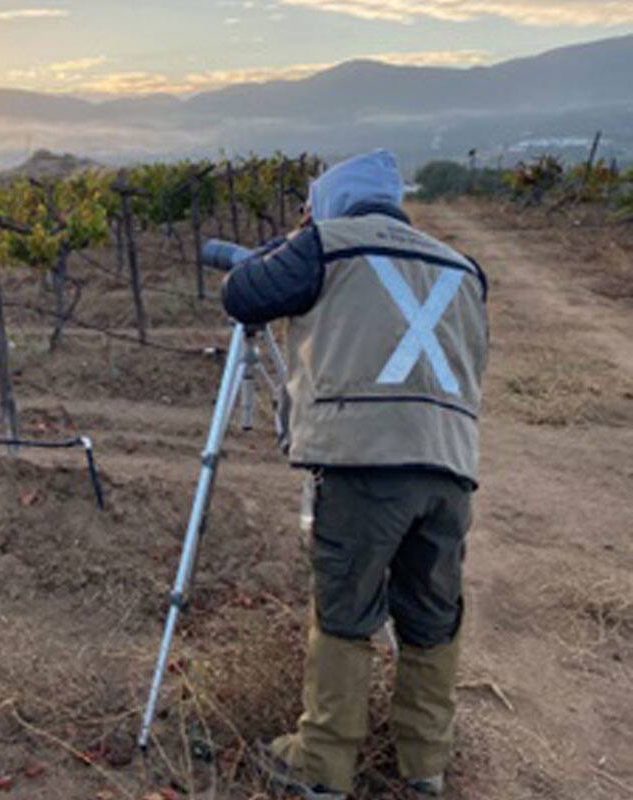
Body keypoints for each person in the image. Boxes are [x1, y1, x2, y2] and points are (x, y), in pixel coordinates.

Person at [223, 150, 489, 799]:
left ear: (327, 205)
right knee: (432, 615)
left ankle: (322, 765)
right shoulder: (461, 267)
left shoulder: (325, 245)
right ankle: (425, 764)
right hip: (450, 468)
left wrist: (289, 246)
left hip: (365, 465)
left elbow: (242, 295)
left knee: (345, 610)